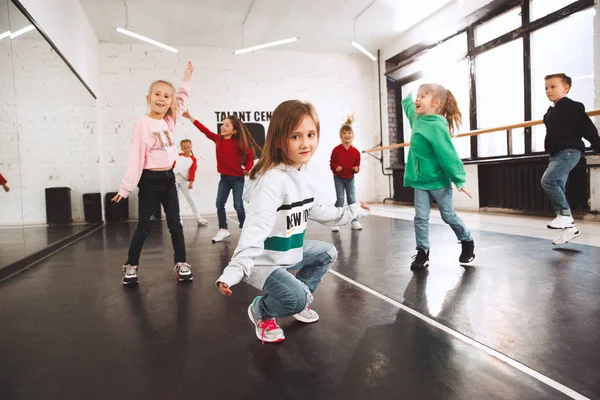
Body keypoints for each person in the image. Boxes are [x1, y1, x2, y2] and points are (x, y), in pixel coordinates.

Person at [215, 100, 370, 343]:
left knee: (327, 252)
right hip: (263, 260)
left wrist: (352, 211)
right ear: (279, 140)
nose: (306, 143)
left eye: (310, 134)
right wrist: (235, 270)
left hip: (289, 251)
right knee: (295, 297)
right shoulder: (271, 181)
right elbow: (254, 229)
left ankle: (299, 298)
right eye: (295, 136)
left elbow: (319, 210)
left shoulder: (300, 176)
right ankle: (262, 311)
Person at [112, 62, 195, 285]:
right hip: (149, 182)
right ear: (148, 98)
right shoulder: (143, 123)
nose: (162, 98)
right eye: (157, 94)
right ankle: (130, 265)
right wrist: (126, 187)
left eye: (167, 96)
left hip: (169, 179)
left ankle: (181, 262)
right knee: (145, 226)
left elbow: (182, 100)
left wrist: (186, 78)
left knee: (175, 224)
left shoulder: (170, 121)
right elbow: (136, 157)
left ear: (170, 102)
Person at [401, 83, 474, 271]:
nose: (418, 99)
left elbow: (447, 154)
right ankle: (422, 252)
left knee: (448, 216)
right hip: (420, 181)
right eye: (418, 95)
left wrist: (458, 179)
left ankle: (466, 240)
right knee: (420, 217)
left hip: (438, 181)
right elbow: (408, 106)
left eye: (422, 96)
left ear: (435, 102)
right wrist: (408, 95)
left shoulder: (437, 127)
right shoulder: (417, 119)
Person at [182, 110, 260, 243]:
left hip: (237, 179)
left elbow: (250, 155)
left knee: (238, 205)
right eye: (223, 124)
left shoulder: (239, 143)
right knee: (219, 204)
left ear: (234, 131)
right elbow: (204, 130)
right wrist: (190, 117)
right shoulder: (218, 139)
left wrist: (247, 169)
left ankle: (244, 228)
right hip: (224, 178)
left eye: (227, 125)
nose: (223, 126)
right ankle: (223, 229)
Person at [540, 73, 600, 245]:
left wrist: (598, 145)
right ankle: (570, 229)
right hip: (556, 155)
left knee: (548, 181)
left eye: (553, 87)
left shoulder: (572, 106)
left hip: (569, 152)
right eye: (546, 88)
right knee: (557, 185)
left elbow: (587, 128)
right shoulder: (551, 113)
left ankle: (565, 217)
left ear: (565, 88)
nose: (548, 91)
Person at [330, 115, 363, 232]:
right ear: (341, 136)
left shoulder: (356, 152)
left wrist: (356, 169)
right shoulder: (336, 150)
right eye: (344, 133)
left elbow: (357, 165)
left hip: (350, 178)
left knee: (352, 200)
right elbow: (332, 163)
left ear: (353, 135)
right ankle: (335, 222)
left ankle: (354, 221)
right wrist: (336, 167)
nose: (347, 135)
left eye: (349, 133)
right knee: (340, 200)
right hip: (339, 178)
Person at [173, 139, 209, 226]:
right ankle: (178, 219)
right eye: (184, 148)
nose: (186, 149)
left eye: (188, 147)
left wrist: (191, 182)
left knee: (191, 200)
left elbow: (192, 171)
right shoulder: (177, 156)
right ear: (181, 148)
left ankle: (198, 218)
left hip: (185, 182)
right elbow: (173, 166)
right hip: (175, 181)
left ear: (191, 147)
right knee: (175, 200)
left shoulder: (193, 159)